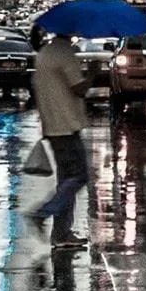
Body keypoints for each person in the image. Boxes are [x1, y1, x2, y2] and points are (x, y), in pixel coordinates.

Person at [28, 26, 90, 252]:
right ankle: (42, 213)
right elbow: (80, 88)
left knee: (66, 182)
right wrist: (93, 73)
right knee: (79, 176)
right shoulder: (65, 53)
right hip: (66, 126)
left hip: (53, 125)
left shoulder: (45, 53)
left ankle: (62, 234)